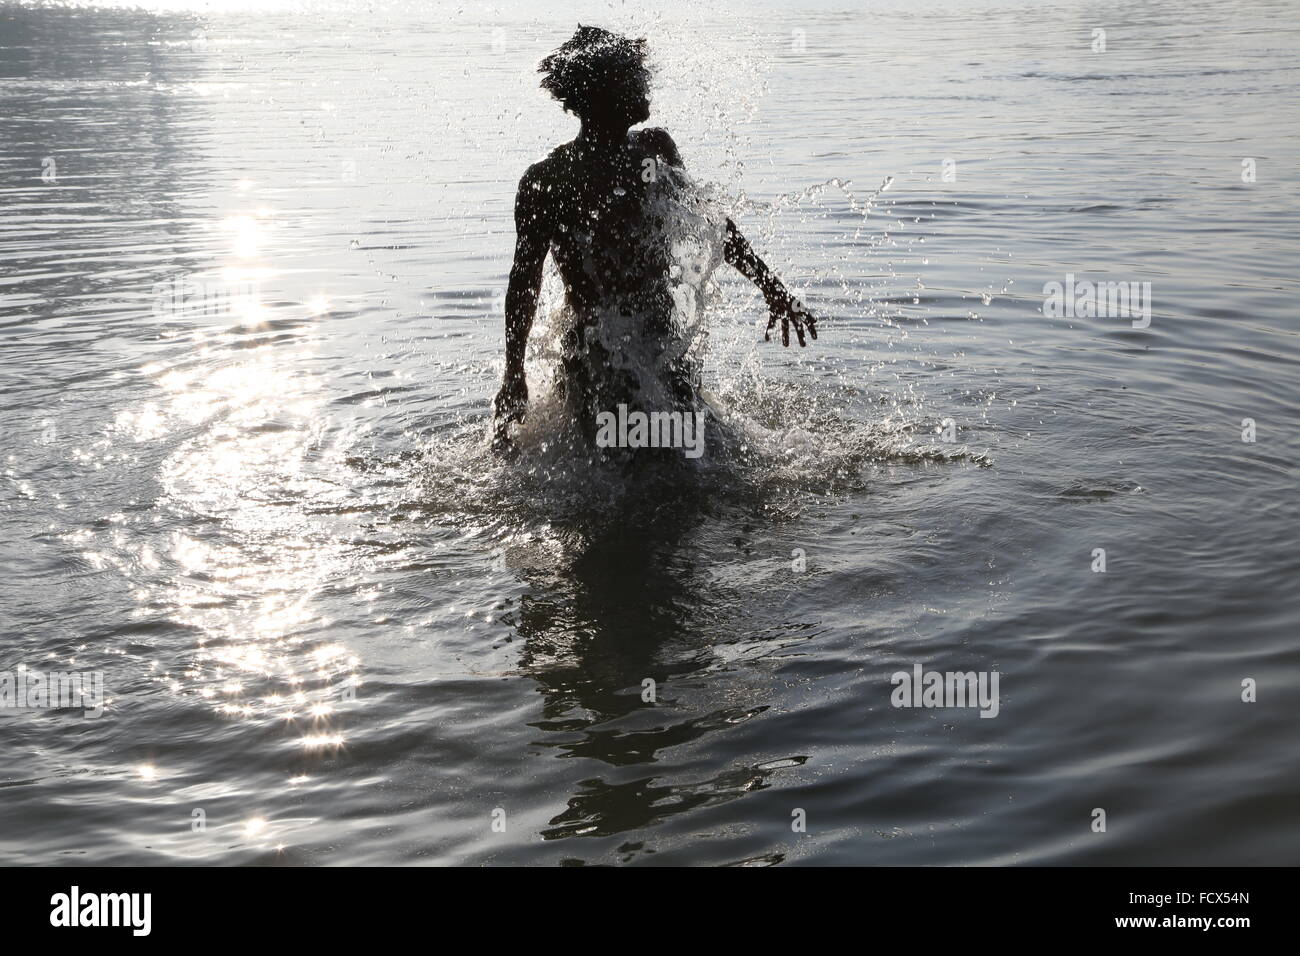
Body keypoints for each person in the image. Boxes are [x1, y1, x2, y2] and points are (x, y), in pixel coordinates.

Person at [492, 25, 816, 453]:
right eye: (632, 76)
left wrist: (772, 288)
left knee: (687, 459)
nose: (645, 82)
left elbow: (712, 226)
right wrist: (513, 374)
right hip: (597, 358)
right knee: (638, 465)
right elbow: (524, 284)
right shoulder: (548, 181)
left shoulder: (655, 150)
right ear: (603, 93)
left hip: (662, 348)